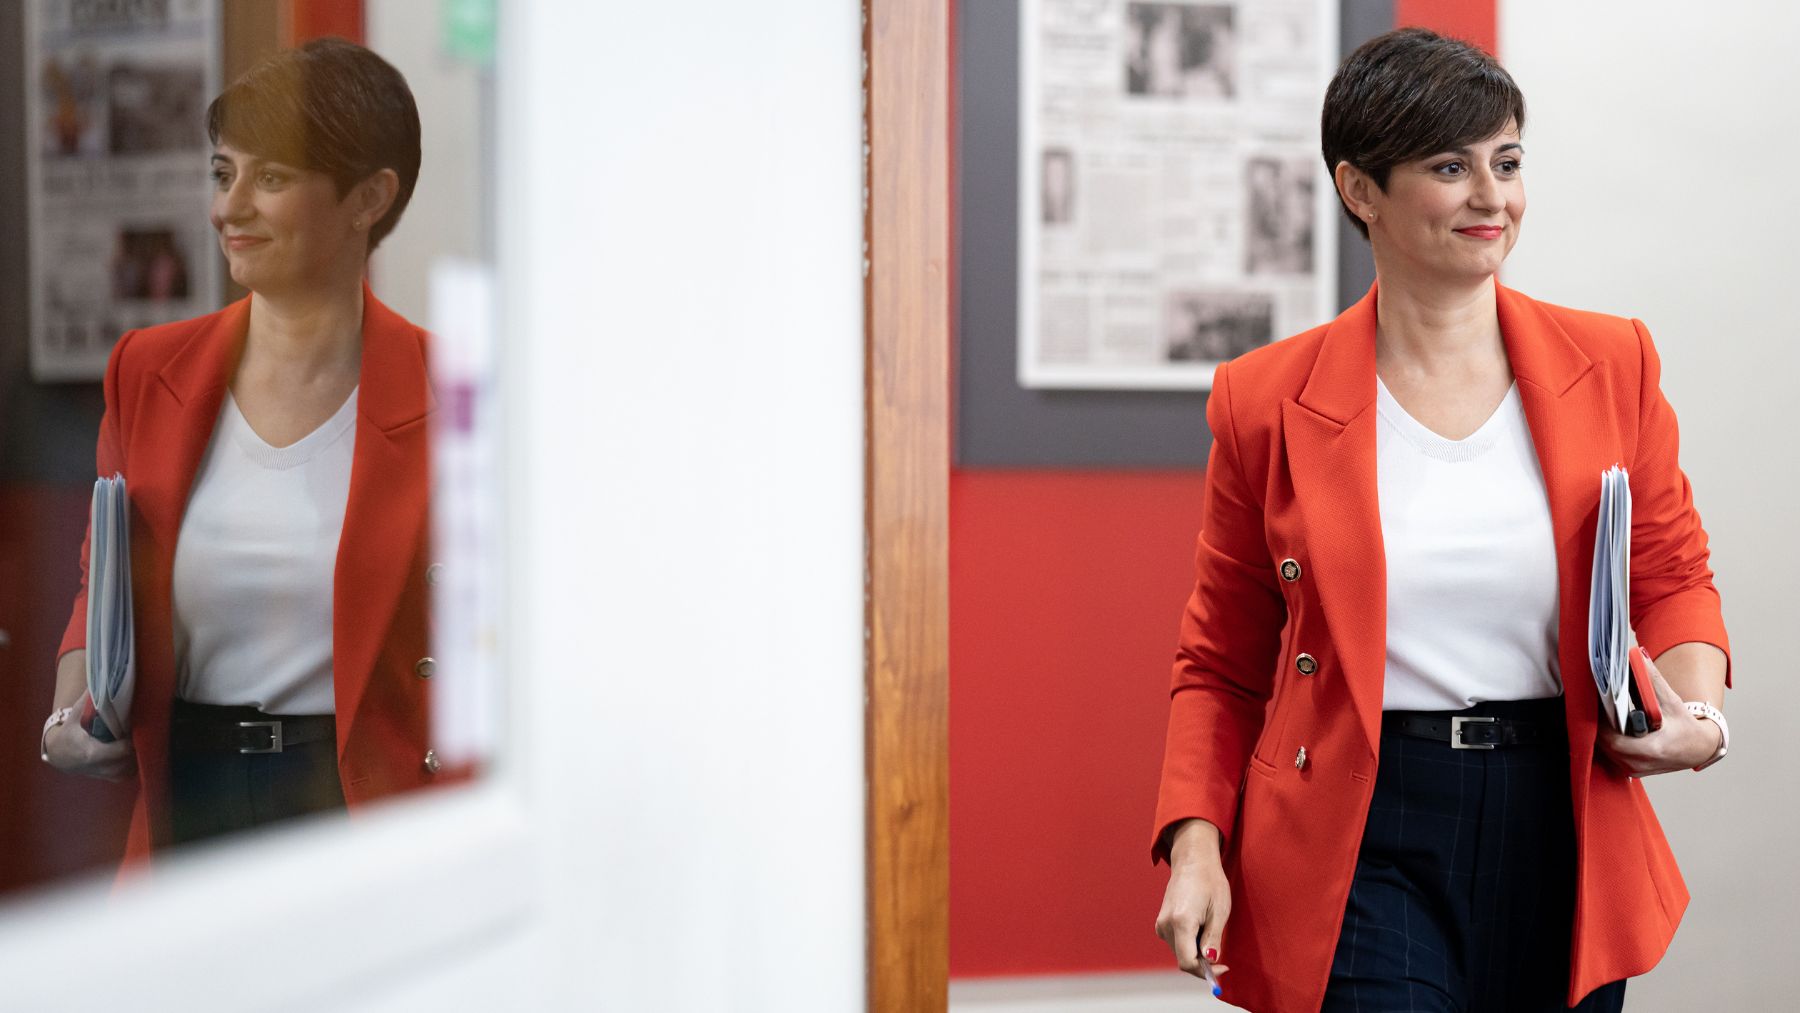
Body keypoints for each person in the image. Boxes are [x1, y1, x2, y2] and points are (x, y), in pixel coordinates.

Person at [1151, 28, 1729, 1013]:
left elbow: (1672, 579)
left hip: (1564, 810)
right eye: (1450, 166)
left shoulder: (1614, 361)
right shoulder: (1264, 401)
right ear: (1359, 189)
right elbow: (1221, 660)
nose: (1491, 197)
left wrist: (1691, 713)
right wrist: (1196, 843)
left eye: (1506, 162)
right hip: (1361, 819)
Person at [39, 38, 450, 862]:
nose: (229, 210)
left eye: (271, 179)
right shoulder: (147, 370)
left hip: (363, 815)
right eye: (224, 174)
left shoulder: (451, 392)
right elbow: (105, 577)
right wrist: (70, 713)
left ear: (369, 197)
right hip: (187, 806)